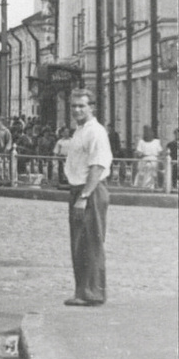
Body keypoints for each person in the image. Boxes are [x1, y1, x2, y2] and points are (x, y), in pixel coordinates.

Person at [63, 89, 112, 307]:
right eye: (73, 106)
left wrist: (84, 196)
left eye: (81, 106)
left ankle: (92, 293)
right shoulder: (80, 130)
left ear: (92, 107)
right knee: (79, 243)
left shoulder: (96, 132)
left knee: (91, 242)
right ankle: (83, 291)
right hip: (79, 189)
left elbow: (97, 166)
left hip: (90, 191)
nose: (77, 110)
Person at [133, 125, 162, 190]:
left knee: (151, 172)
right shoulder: (142, 142)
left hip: (153, 159)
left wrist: (159, 158)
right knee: (143, 171)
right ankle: (143, 186)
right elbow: (139, 152)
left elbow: (160, 152)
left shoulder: (156, 141)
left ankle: (150, 186)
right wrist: (140, 155)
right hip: (146, 159)